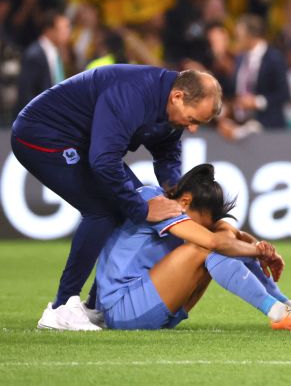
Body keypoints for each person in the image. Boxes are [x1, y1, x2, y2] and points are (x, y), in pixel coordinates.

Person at [11, 66, 222, 331]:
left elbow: (167, 155)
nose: (192, 128)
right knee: (104, 210)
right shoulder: (133, 94)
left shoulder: (171, 107)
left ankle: (95, 304)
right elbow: (103, 161)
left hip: (86, 144)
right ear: (177, 96)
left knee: (131, 204)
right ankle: (61, 307)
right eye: (193, 120)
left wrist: (176, 194)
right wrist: (141, 209)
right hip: (42, 134)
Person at [95, 163, 291, 331]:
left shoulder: (183, 207)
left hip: (153, 307)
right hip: (122, 308)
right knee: (206, 247)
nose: (207, 227)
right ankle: (278, 313)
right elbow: (213, 241)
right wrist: (256, 250)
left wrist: (258, 247)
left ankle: (288, 306)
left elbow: (230, 233)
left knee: (222, 241)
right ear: (186, 201)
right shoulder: (156, 201)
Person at [15, 10, 71, 114]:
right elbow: (26, 94)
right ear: (49, 30)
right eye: (63, 29)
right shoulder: (34, 55)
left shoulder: (57, 51)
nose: (68, 33)